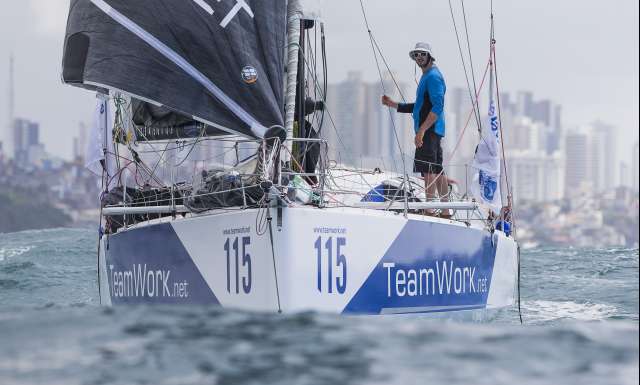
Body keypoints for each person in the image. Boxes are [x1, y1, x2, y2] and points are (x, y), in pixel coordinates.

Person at [382, 42, 450, 217]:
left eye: (422, 54)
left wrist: (421, 131)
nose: (419, 57)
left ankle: (428, 209)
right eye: (416, 55)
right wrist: (393, 104)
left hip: (430, 130)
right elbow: (420, 106)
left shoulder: (433, 77)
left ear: (430, 56)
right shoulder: (426, 76)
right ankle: (445, 210)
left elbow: (437, 107)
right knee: (436, 169)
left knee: (428, 169)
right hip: (433, 130)